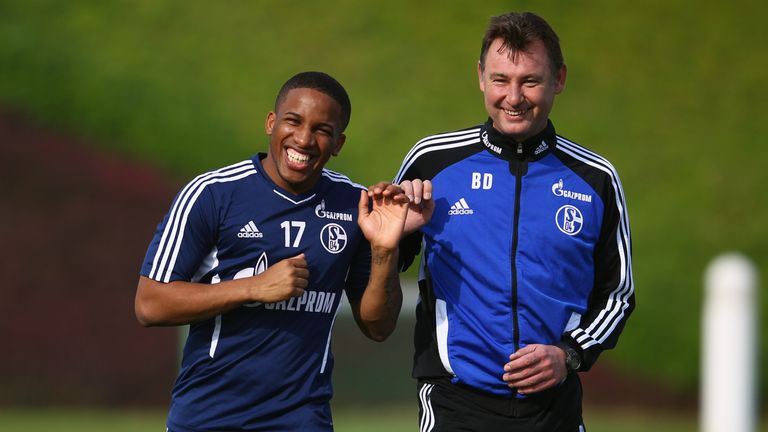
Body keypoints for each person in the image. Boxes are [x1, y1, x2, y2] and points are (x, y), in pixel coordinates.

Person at [135, 71, 428, 431]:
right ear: (271, 123)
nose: (304, 139)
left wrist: (385, 250)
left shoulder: (356, 205)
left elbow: (378, 326)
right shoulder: (212, 194)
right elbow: (150, 304)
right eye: (294, 121)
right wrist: (252, 287)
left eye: (322, 130)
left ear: (339, 142)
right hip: (209, 417)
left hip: (304, 419)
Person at [394, 12, 635, 431]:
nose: (514, 97)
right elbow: (381, 263)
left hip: (553, 408)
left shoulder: (596, 178)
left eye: (530, 81)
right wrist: (388, 242)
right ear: (481, 78)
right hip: (455, 401)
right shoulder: (432, 162)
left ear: (559, 79)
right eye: (501, 79)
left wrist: (569, 354)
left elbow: (617, 294)